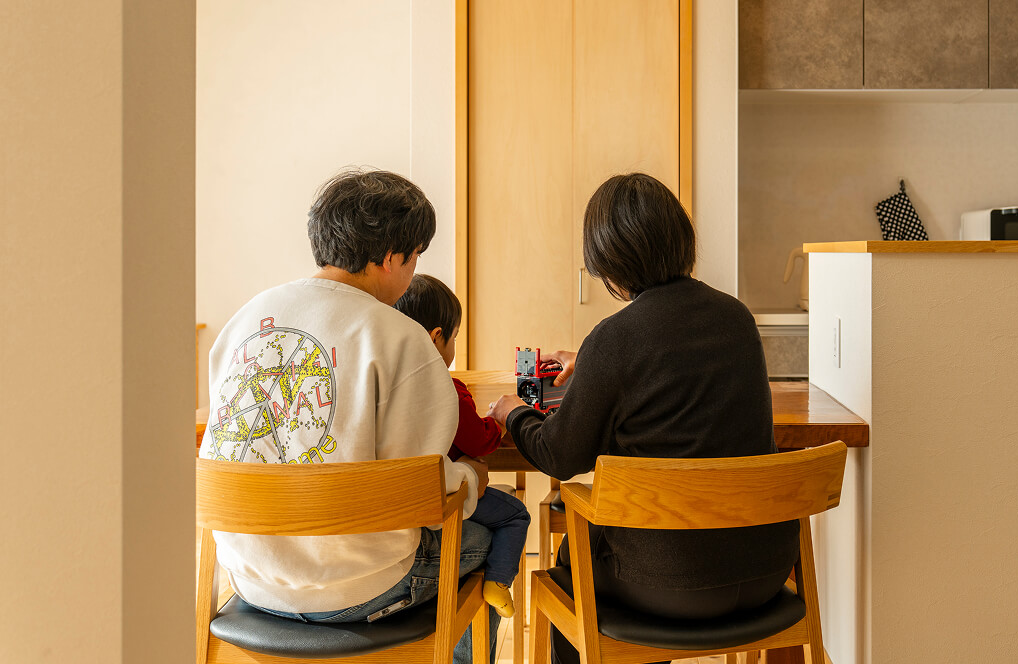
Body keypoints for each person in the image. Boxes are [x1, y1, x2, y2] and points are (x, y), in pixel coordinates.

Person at [487, 172, 799, 664]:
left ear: (611, 261)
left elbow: (560, 456)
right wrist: (592, 364)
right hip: (766, 572)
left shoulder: (615, 338)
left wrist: (514, 412)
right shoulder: (737, 318)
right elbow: (675, 368)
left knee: (572, 563)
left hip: (666, 586)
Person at [198, 169, 498, 663]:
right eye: (414, 256)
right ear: (391, 257)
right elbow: (424, 491)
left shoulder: (245, 319)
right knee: (488, 536)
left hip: (249, 579)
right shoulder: (401, 338)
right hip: (364, 588)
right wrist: (470, 476)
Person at [393, 273, 531, 618]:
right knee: (516, 515)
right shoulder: (447, 389)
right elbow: (479, 442)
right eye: (454, 336)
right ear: (436, 337)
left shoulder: (390, 387)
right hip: (443, 499)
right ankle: (498, 582)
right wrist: (498, 420)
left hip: (402, 507)